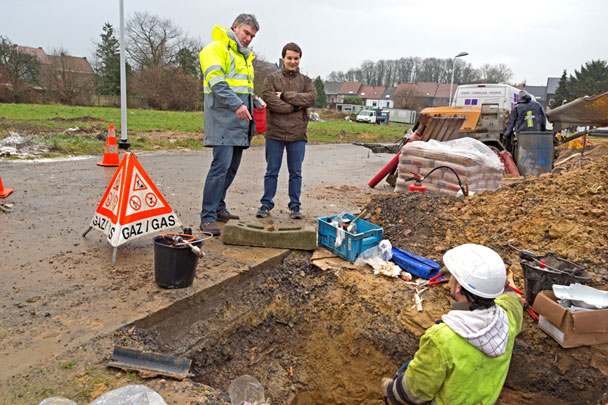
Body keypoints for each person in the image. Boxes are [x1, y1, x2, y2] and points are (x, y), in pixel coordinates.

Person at [381, 244, 523, 405]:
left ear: (459, 289)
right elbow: (512, 300)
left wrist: (390, 389)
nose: (449, 280)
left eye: (453, 277)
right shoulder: (508, 317)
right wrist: (492, 282)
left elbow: (413, 393)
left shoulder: (442, 339)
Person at [199, 14, 262, 236]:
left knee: (231, 168)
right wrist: (237, 104)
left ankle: (218, 208)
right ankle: (207, 216)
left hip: (240, 122)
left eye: (252, 36)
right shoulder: (215, 49)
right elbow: (216, 82)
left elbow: (241, 86)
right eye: (246, 33)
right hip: (222, 120)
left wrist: (254, 100)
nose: (248, 39)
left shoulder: (245, 57)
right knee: (220, 168)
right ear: (235, 27)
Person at [255, 42, 317, 220]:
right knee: (271, 171)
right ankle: (266, 204)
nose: (293, 61)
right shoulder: (271, 78)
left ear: (300, 59)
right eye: (289, 58)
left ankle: (295, 205)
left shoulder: (306, 81)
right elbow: (269, 99)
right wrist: (294, 107)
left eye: (296, 58)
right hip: (275, 133)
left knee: (295, 173)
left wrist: (283, 95)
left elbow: (311, 97)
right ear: (283, 58)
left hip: (298, 134)